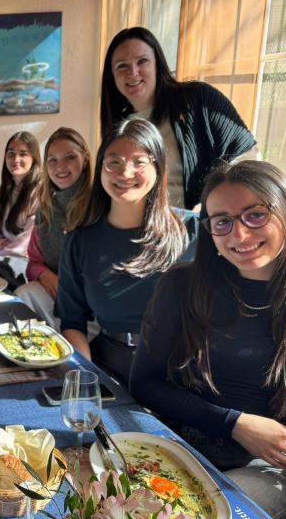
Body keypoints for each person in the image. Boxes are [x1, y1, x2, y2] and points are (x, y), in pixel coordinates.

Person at [130, 160, 286, 519]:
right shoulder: (181, 286)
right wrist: (235, 424)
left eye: (255, 214)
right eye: (222, 221)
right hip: (177, 450)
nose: (239, 233)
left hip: (270, 470)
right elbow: (145, 383)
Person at [58, 117, 197, 384]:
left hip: (178, 369)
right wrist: (86, 378)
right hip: (110, 366)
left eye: (139, 162)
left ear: (158, 167)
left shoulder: (192, 230)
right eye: (114, 162)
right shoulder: (79, 240)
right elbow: (72, 323)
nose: (125, 173)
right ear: (101, 168)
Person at [100, 26, 256, 209]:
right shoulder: (120, 126)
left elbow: (248, 157)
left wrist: (213, 202)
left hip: (202, 222)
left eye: (142, 61)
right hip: (147, 225)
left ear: (157, 65)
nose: (133, 73)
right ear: (112, 76)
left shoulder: (198, 99)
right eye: (122, 66)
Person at [14, 128, 92, 328]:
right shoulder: (46, 209)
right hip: (59, 294)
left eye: (70, 157)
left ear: (85, 160)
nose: (61, 167)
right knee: (23, 295)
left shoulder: (99, 204)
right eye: (52, 160)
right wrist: (44, 274)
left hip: (92, 304)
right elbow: (34, 262)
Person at [0, 131, 42, 289]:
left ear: (34, 158)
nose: (16, 160)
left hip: (27, 262)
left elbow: (29, 239)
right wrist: (1, 252)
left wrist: (4, 253)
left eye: (23, 154)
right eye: (11, 154)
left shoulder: (40, 193)